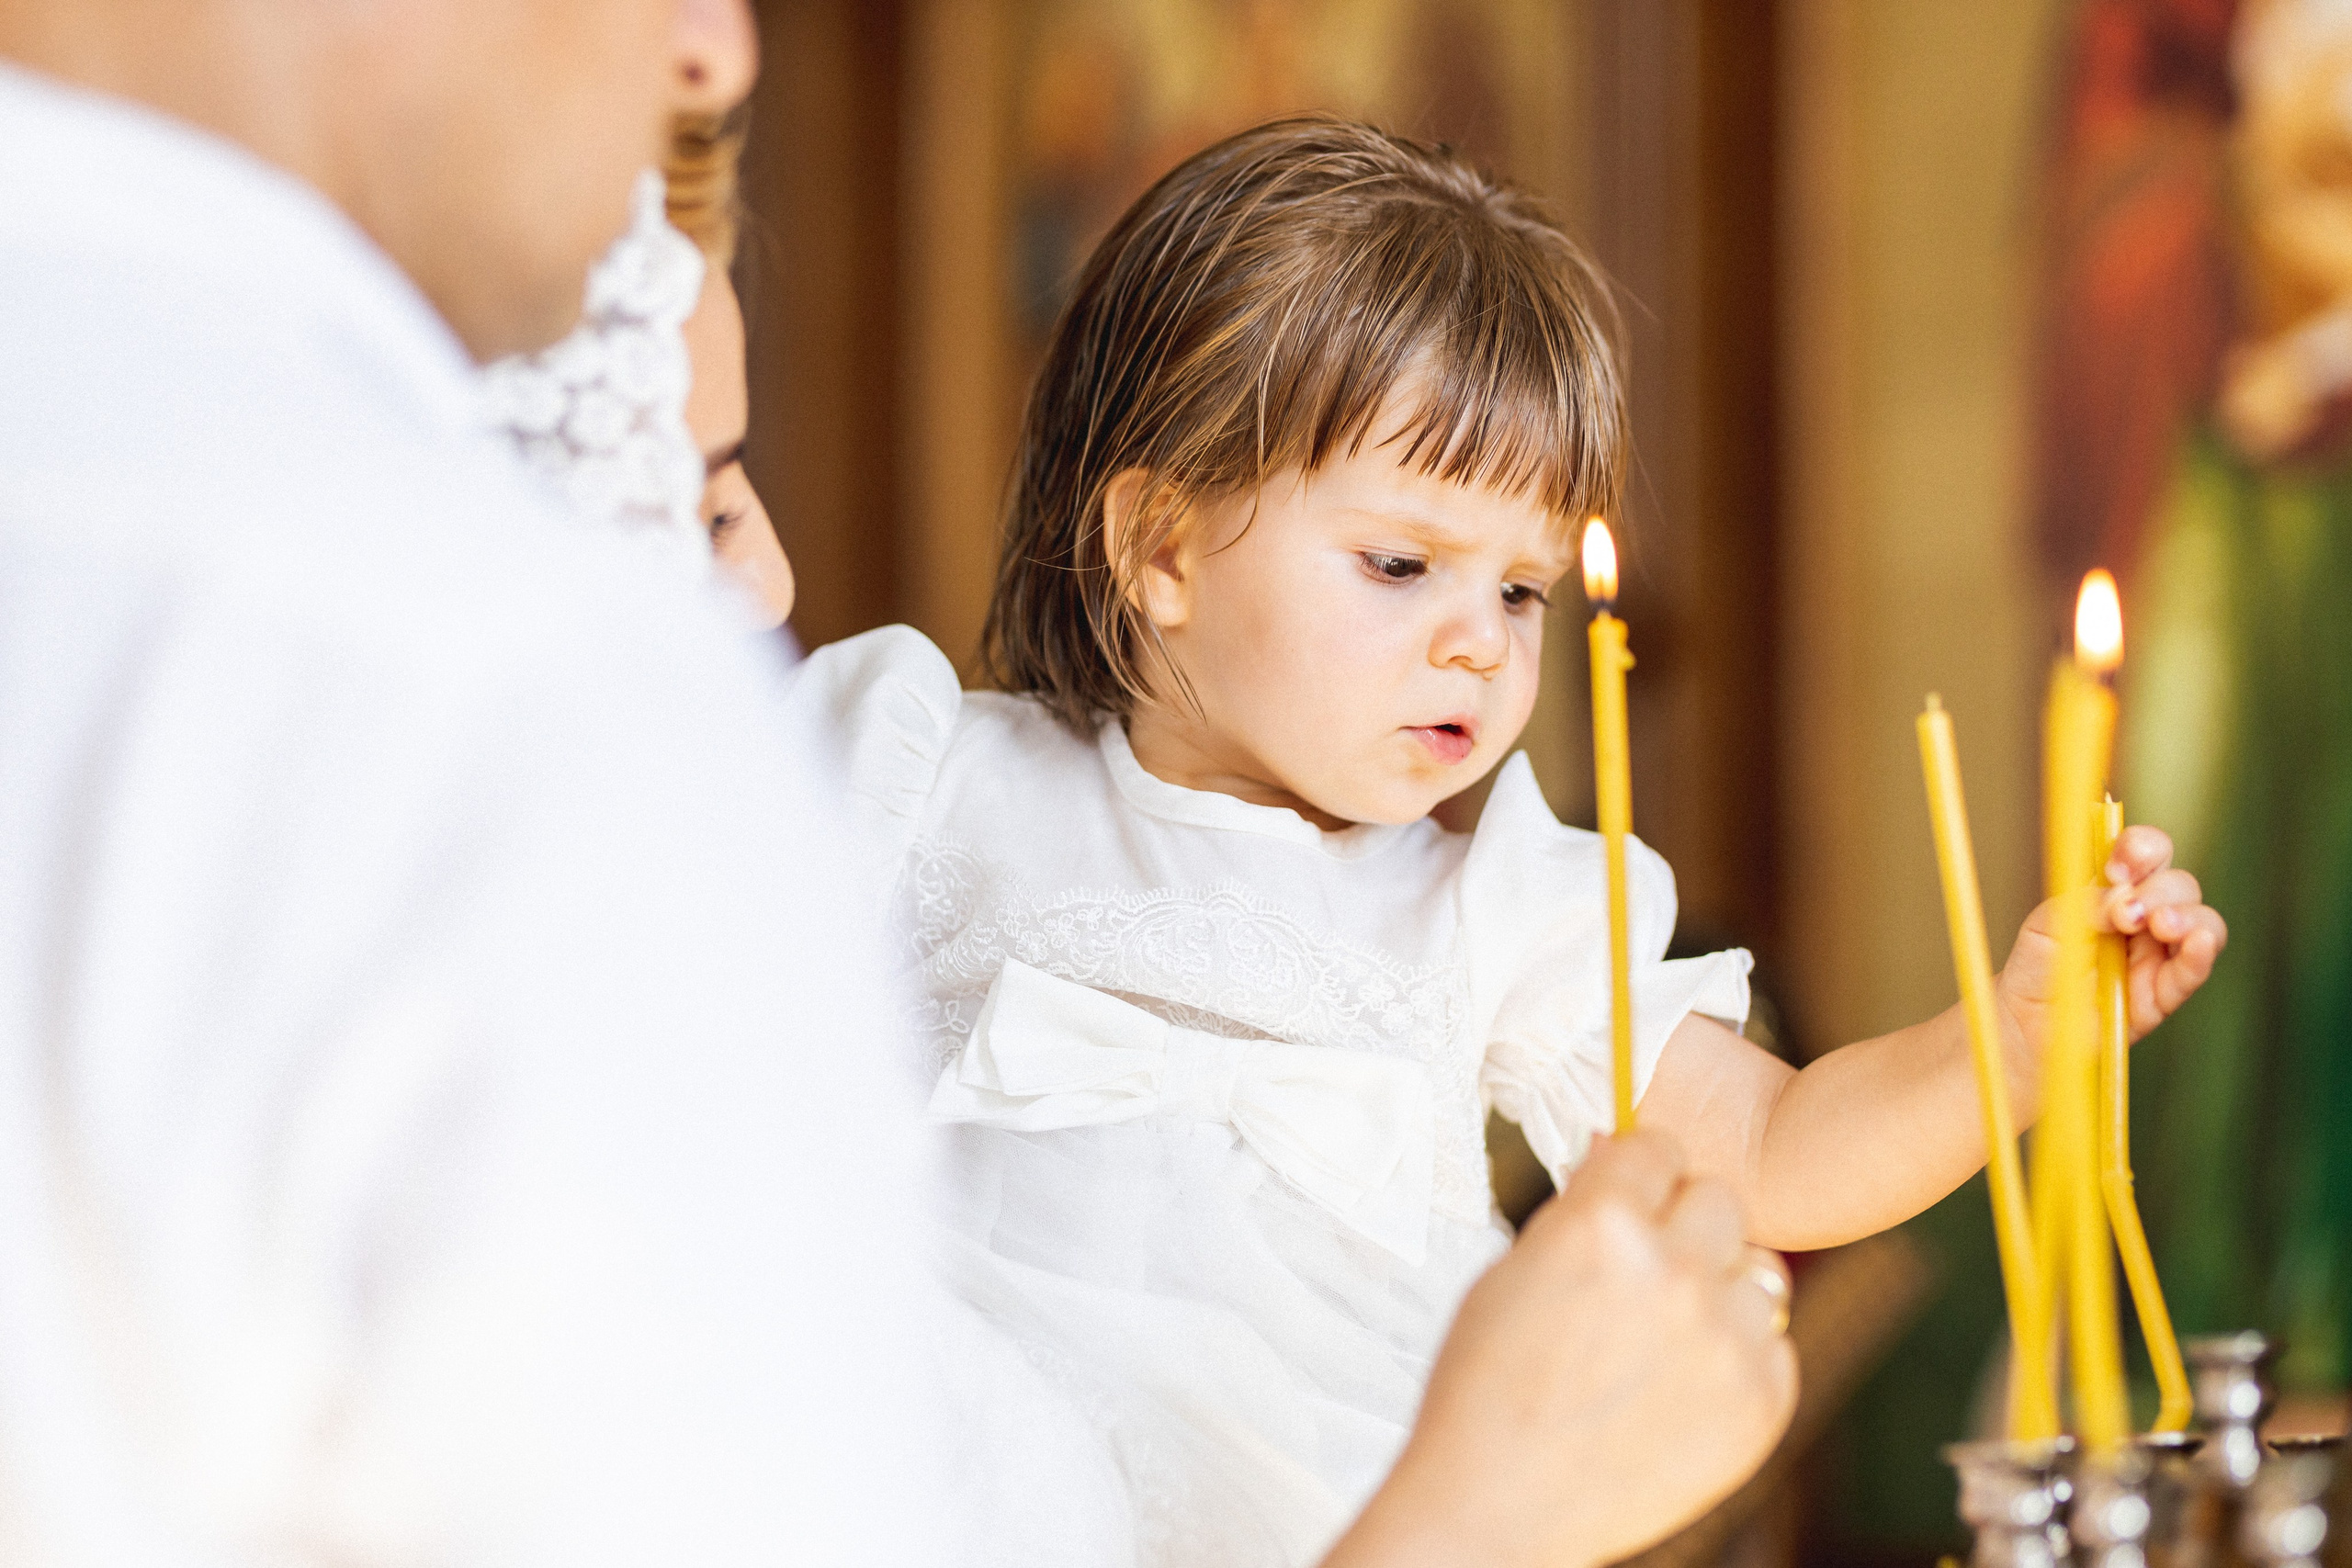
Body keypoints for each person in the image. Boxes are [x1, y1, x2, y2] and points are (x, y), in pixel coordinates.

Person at [0, 6, 1793, 1568]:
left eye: (1520, 589)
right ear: (1160, 545)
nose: (718, 43)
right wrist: (1485, 1506)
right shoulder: (518, 719)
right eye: (701, 495)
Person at [792, 115, 2232, 1563]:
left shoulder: (1496, 914)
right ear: (1161, 548)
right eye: (1401, 564)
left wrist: (2021, 1042)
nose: (1480, 643)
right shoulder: (923, 782)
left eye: (1523, 591)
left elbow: (1774, 1146)